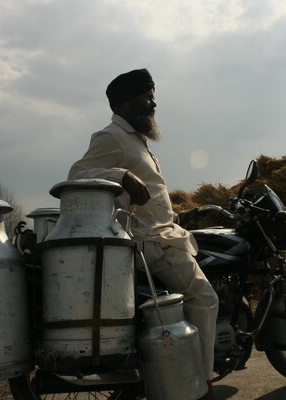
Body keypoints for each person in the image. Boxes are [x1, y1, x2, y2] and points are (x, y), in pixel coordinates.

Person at [68, 68, 218, 400]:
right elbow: (77, 172)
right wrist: (120, 175)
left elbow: (152, 195)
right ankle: (204, 383)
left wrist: (183, 215)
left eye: (153, 94)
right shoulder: (111, 136)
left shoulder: (138, 140)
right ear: (124, 102)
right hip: (152, 241)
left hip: (166, 231)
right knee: (204, 298)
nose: (153, 102)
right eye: (147, 95)